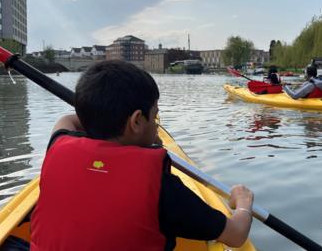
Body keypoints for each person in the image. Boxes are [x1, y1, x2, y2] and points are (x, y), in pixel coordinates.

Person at [30, 60, 254, 251]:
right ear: (136, 121)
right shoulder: (163, 188)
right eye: (155, 118)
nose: (157, 127)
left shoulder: (57, 146)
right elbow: (236, 235)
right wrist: (243, 203)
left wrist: (97, 115)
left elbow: (69, 119)